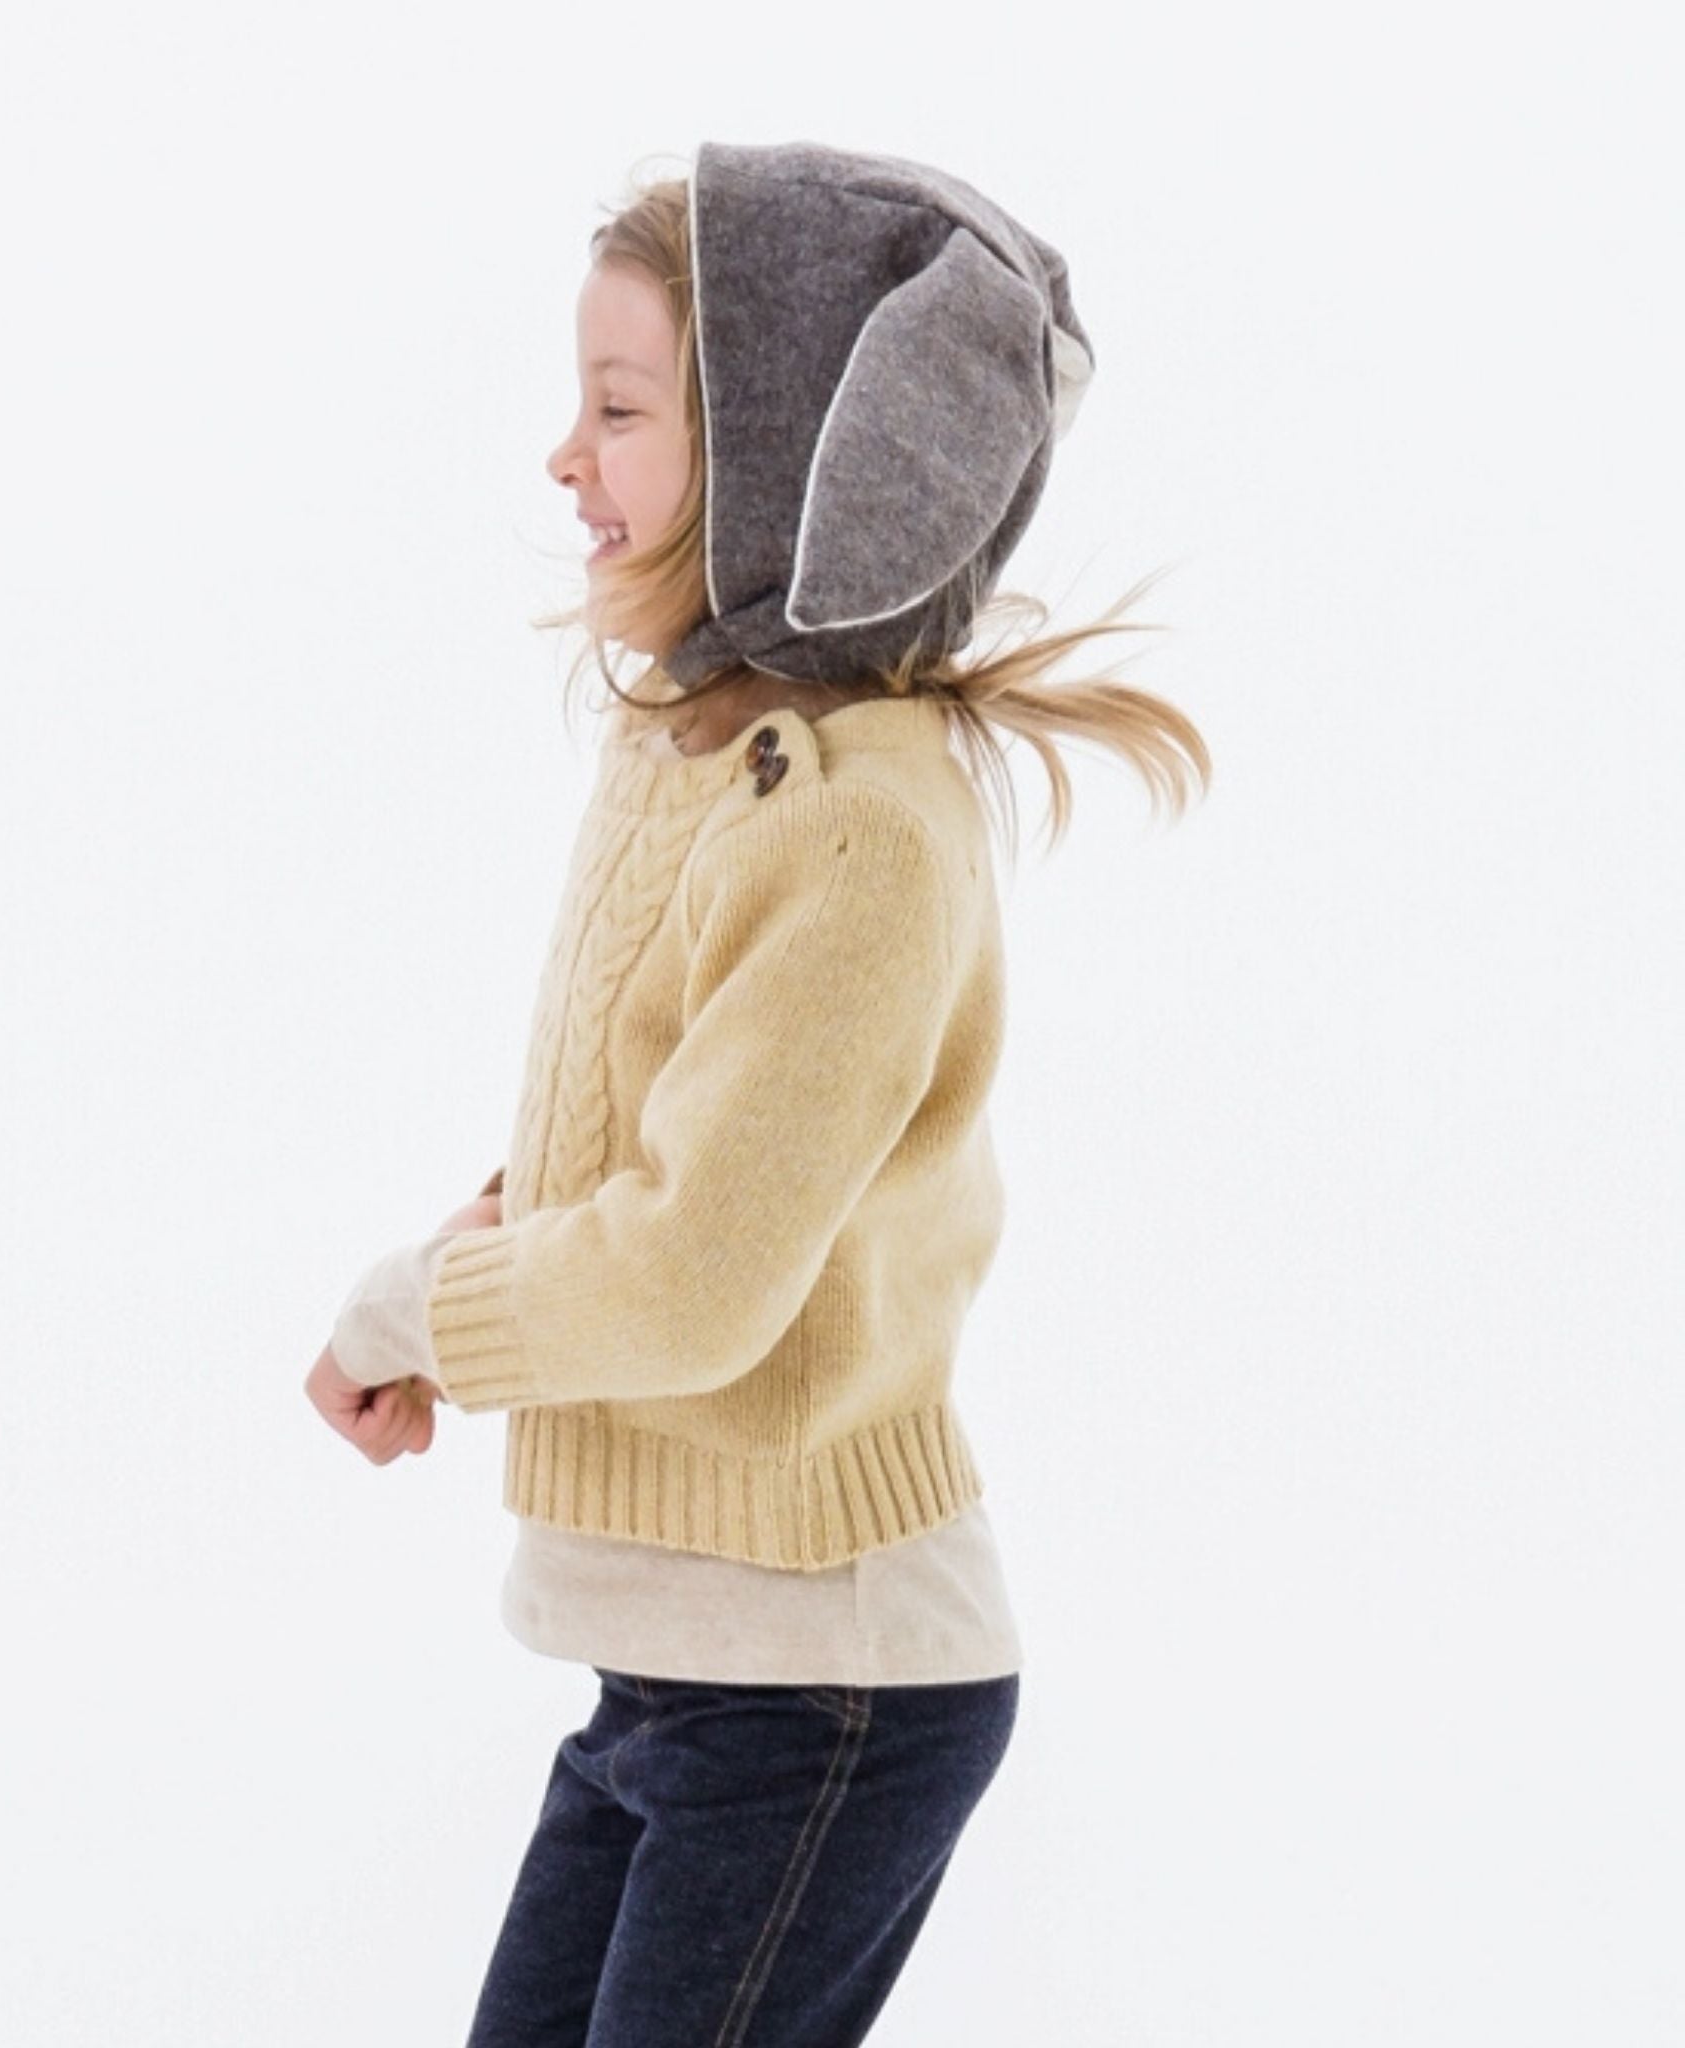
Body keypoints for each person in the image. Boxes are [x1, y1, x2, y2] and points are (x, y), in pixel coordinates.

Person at [304, 138, 1210, 2046]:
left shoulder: (863, 826)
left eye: (621, 410)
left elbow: (695, 1278)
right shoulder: (708, 763)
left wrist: (417, 1304)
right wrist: (475, 1261)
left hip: (827, 1688)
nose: (568, 457)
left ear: (792, 452)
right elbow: (645, 1152)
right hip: (679, 1670)